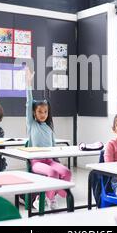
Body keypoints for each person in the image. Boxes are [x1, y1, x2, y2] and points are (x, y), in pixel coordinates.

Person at [25, 67, 71, 210]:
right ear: (34, 113)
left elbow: (53, 147)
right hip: (37, 161)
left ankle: (49, 197)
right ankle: (41, 199)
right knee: (53, 173)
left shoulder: (49, 127)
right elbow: (29, 102)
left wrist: (58, 155)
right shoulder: (32, 124)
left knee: (66, 172)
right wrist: (28, 84)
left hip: (50, 160)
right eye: (39, 111)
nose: (43, 114)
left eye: (45, 111)